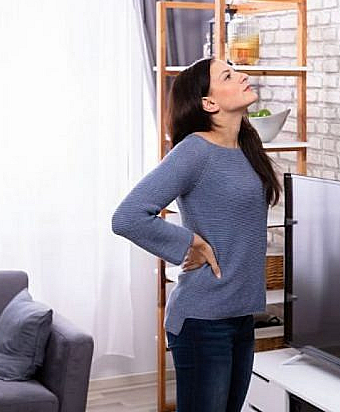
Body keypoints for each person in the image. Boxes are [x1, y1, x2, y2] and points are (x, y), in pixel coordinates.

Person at [112, 58, 281, 412]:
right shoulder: (194, 151)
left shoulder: (247, 147)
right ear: (209, 103)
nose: (243, 76)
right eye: (228, 75)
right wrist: (189, 243)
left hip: (239, 317)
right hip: (203, 321)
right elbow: (127, 217)